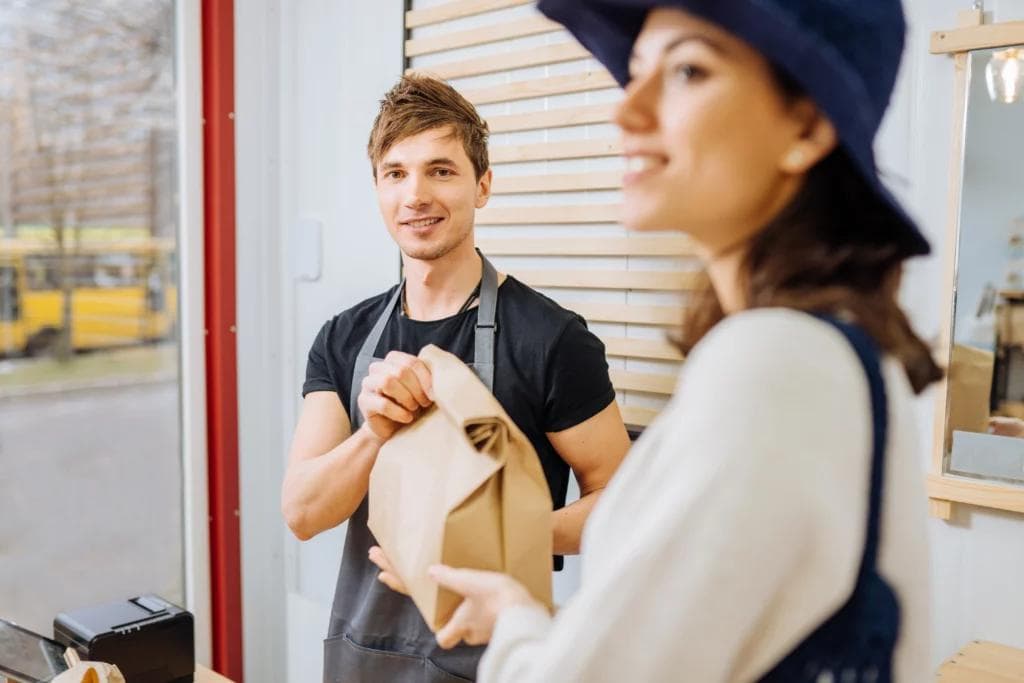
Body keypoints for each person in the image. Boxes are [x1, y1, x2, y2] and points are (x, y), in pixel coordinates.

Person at [388, 1, 944, 681]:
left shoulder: (775, 367)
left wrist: (520, 633)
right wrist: (518, 618)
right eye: (637, 71)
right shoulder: (835, 354)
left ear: (806, 123)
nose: (626, 109)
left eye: (686, 70)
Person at [279, 74, 631, 683]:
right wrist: (373, 433)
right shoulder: (343, 340)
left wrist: (507, 536)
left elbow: (624, 506)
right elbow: (304, 512)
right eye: (396, 173)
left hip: (500, 660)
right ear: (379, 190)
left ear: (483, 186)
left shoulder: (552, 339)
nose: (415, 194)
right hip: (364, 655)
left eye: (441, 170)